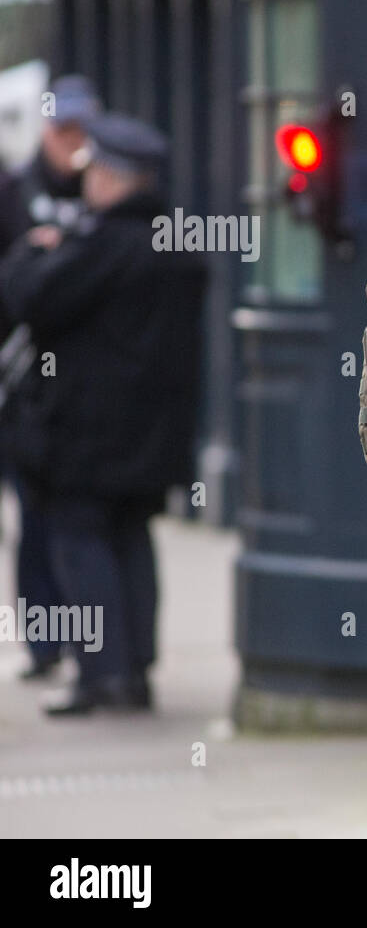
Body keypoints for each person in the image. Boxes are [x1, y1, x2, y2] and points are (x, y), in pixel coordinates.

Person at [0, 112, 205, 714]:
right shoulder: (180, 244)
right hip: (156, 432)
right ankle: (135, 670)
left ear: (114, 179)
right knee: (132, 538)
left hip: (88, 432)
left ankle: (101, 673)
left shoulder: (98, 245)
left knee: (79, 541)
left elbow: (30, 298)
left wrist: (29, 254)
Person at [0, 74, 101, 681]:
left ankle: (87, 649)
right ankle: (43, 646)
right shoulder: (15, 191)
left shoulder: (105, 189)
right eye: (64, 130)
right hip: (26, 387)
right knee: (35, 518)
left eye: (81, 129)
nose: (74, 142)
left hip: (87, 388)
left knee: (80, 523)